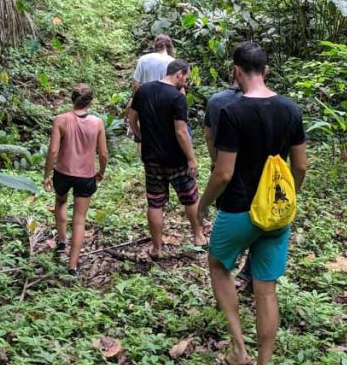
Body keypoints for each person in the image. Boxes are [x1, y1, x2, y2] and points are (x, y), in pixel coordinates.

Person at [197, 42, 307, 365]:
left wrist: (202, 204)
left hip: (238, 210)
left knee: (218, 265)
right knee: (266, 289)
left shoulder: (231, 111)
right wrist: (290, 198)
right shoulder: (290, 109)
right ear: (267, 70)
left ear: (235, 71)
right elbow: (301, 166)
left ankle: (238, 348)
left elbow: (224, 172)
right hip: (275, 213)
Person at [127, 59, 207, 258]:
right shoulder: (177, 97)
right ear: (178, 74)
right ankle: (198, 236)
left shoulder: (143, 91)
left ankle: (156, 248)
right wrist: (191, 158)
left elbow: (131, 118)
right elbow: (181, 132)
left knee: (155, 203)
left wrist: (140, 136)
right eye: (186, 78)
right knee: (190, 197)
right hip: (176, 159)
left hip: (152, 158)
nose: (186, 83)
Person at [43, 84, 108, 276]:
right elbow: (103, 153)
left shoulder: (60, 120)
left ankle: (62, 240)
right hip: (86, 176)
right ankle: (72, 266)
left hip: (62, 173)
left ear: (72, 99)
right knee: (79, 220)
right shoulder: (97, 123)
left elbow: (53, 150)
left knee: (60, 201)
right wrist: (101, 171)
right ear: (91, 102)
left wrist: (47, 174)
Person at [204, 81, 252, 291]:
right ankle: (249, 271)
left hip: (226, 174)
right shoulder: (275, 104)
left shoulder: (216, 101)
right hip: (263, 178)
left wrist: (216, 161)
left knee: (228, 221)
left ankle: (228, 277)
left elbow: (208, 135)